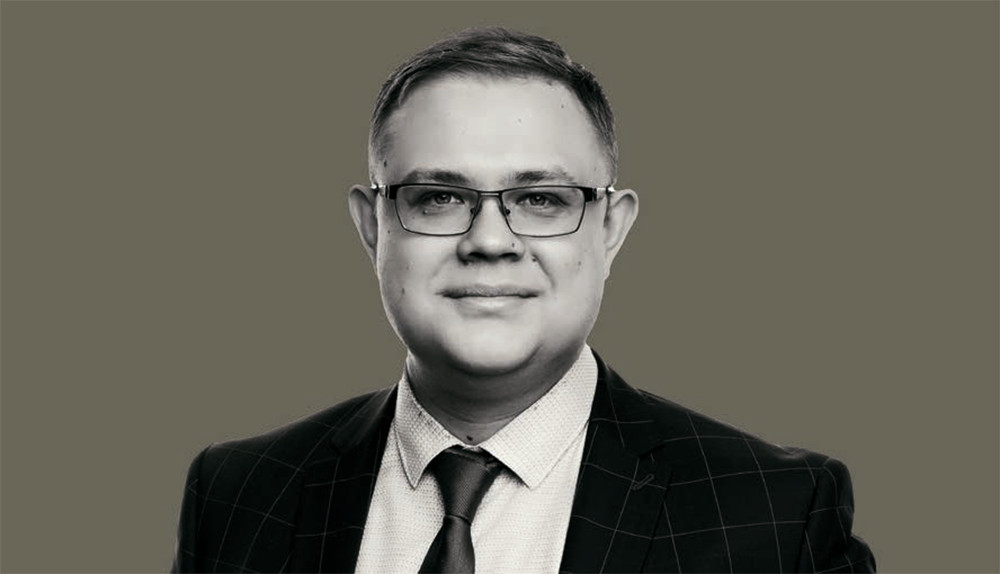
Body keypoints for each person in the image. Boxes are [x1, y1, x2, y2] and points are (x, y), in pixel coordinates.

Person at [172, 27, 875, 573]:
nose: (489, 241)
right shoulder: (237, 495)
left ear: (610, 229)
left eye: (540, 199)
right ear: (372, 227)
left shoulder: (776, 514)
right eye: (439, 197)